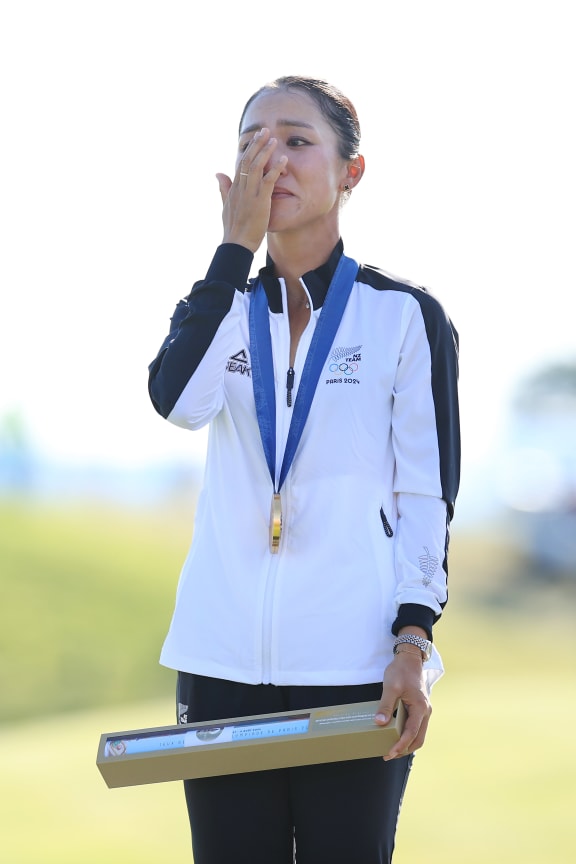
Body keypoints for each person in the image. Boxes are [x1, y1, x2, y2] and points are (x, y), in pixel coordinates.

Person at [148, 75, 460, 864]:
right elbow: (177, 402)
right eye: (254, 142)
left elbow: (425, 492)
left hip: (356, 666)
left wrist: (413, 641)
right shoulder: (224, 307)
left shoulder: (402, 316)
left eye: (296, 140)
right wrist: (231, 253)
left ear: (351, 173)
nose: (272, 161)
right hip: (220, 664)